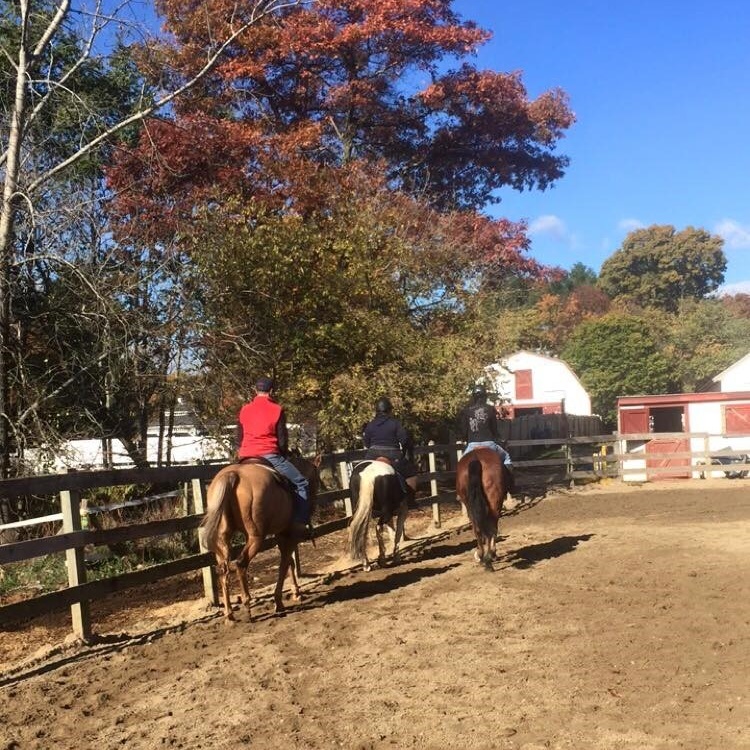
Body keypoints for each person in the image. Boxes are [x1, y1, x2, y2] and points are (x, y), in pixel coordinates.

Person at [236, 377, 311, 536]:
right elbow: (282, 439)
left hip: (245, 456)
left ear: (255, 391)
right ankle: (300, 524)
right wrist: (283, 453)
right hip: (269, 455)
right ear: (271, 391)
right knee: (301, 483)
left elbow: (239, 437)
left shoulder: (244, 409)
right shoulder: (277, 409)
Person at [362, 397, 418, 503]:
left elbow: (366, 443)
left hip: (372, 454)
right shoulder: (395, 423)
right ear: (389, 410)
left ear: (377, 410)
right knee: (411, 473)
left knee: (361, 471)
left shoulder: (370, 425)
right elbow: (404, 440)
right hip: (392, 454)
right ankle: (411, 500)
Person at [458, 384, 514, 490]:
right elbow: (494, 429)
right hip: (489, 444)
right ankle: (510, 487)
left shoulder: (466, 410)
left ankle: (460, 491)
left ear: (473, 396)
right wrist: (499, 437)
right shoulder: (490, 409)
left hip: (472, 445)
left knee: (461, 464)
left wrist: (464, 438)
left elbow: (464, 430)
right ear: (484, 396)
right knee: (506, 458)